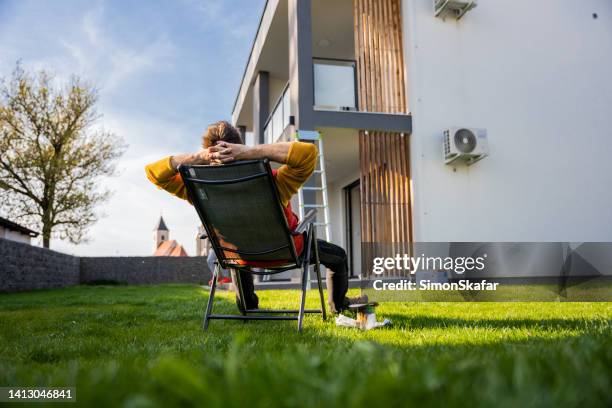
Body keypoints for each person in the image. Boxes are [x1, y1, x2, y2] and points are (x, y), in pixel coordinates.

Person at [145, 120, 365, 313]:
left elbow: (153, 173)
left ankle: (248, 307)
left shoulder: (197, 188)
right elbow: (308, 153)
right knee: (339, 256)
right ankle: (339, 306)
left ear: (206, 152)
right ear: (238, 146)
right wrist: (249, 152)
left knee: (237, 256)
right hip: (286, 251)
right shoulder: (275, 182)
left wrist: (197, 158)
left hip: (237, 255)